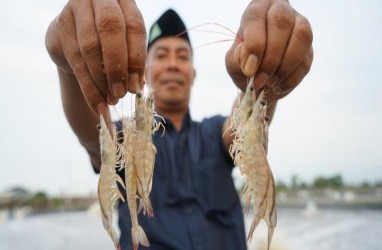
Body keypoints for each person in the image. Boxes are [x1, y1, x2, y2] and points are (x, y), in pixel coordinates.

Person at [45, 1, 313, 249]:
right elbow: (90, 132)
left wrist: (263, 73)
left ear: (193, 74)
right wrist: (67, 67)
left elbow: (241, 130)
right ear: (145, 71)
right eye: (161, 55)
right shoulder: (124, 138)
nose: (173, 65)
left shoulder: (214, 134)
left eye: (182, 57)